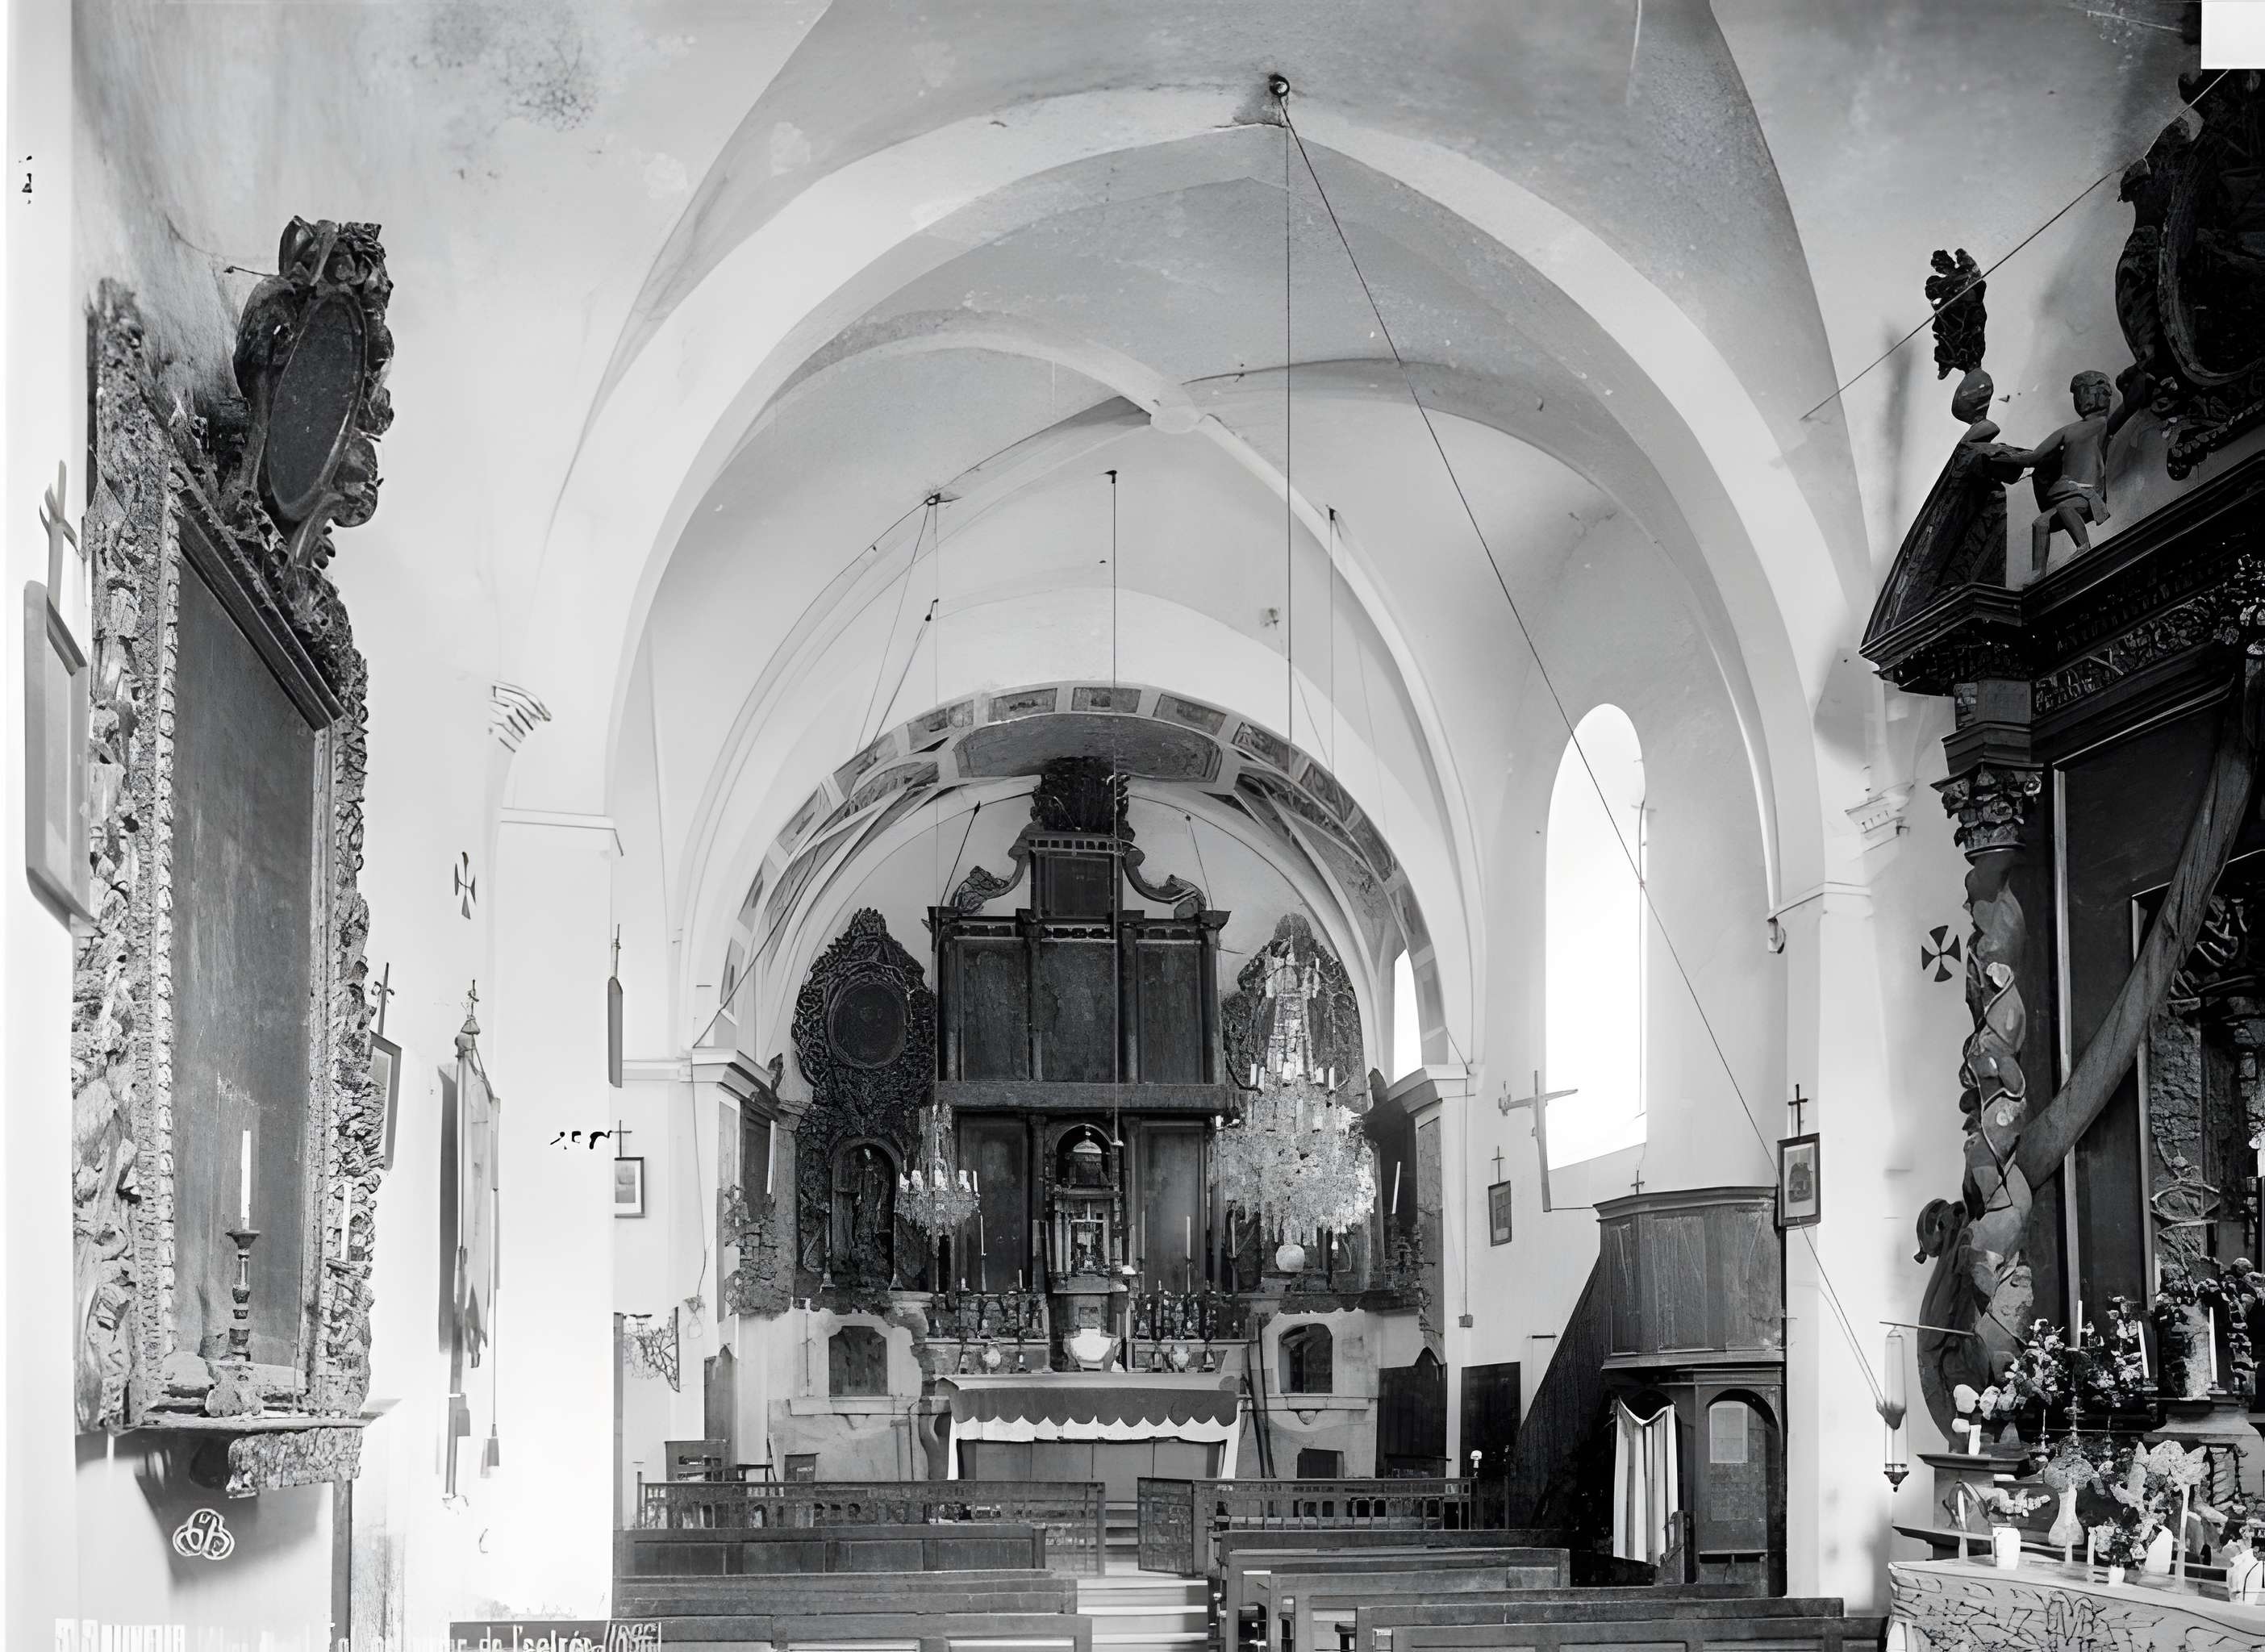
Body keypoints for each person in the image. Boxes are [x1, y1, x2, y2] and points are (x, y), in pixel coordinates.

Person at [2009, 368, 2148, 578]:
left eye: (2084, 390)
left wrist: (2143, 372)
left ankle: (2083, 546)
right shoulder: (2068, 430)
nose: (2080, 397)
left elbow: (2129, 406)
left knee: (2066, 507)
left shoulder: (2102, 425)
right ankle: (2038, 573)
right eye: (2078, 392)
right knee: (2040, 523)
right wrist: (2004, 456)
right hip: (2066, 490)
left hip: (2088, 495)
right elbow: (2034, 456)